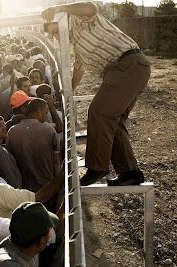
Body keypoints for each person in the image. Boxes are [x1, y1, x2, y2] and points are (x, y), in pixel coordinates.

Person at [42, 1, 151, 186]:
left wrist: (60, 8)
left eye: (51, 29)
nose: (53, 35)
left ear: (57, 20)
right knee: (112, 120)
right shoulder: (77, 42)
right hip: (126, 69)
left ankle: (97, 167)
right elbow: (79, 69)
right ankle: (130, 173)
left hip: (127, 65)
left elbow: (91, 7)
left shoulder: (78, 19)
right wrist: (68, 91)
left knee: (99, 113)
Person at [7, 99, 61, 199]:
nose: (45, 116)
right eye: (45, 112)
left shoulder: (12, 131)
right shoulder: (49, 130)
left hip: (24, 188)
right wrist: (57, 185)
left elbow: (10, 160)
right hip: (47, 186)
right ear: (39, 111)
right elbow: (56, 161)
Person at [0, 202, 60, 267]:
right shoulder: (8, 264)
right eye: (49, 231)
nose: (51, 234)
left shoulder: (23, 245)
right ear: (41, 241)